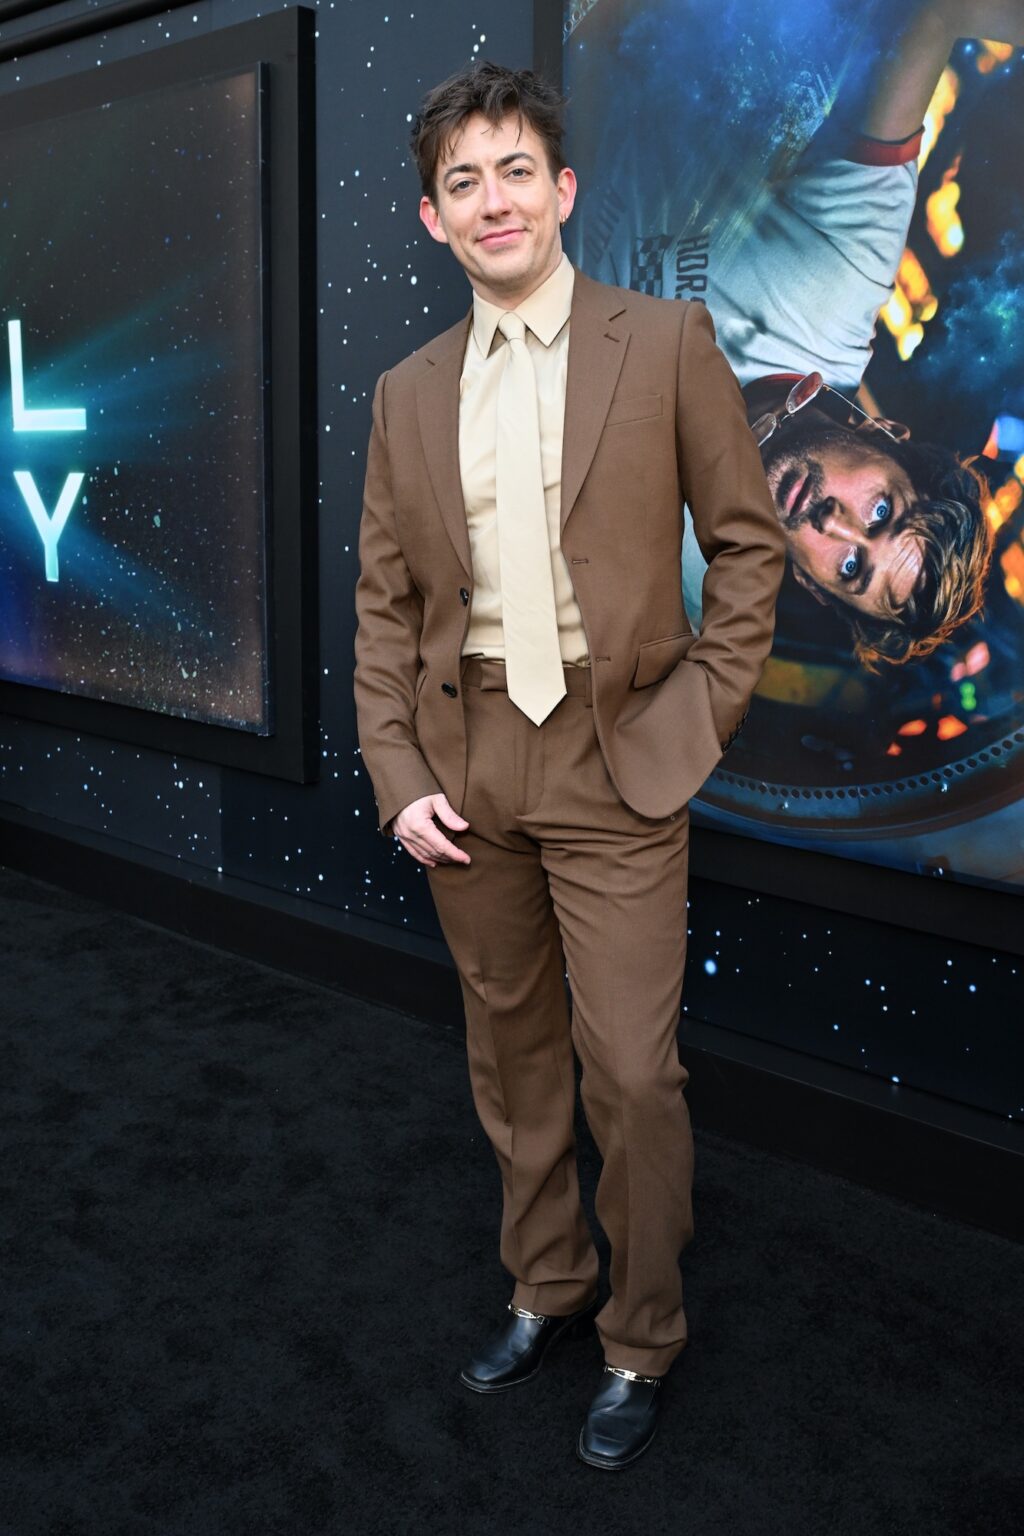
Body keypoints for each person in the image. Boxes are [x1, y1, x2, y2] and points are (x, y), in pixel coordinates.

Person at [353, 62, 784, 1470]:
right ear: (434, 217)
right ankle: (547, 1285)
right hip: (466, 768)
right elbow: (382, 610)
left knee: (632, 1075)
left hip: (616, 767)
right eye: (464, 182)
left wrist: (700, 712)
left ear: (564, 190)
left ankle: (640, 1336)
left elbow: (747, 544)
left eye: (516, 170)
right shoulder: (404, 392)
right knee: (511, 1058)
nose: (495, 201)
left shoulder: (663, 343)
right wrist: (393, 766)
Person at [582, 0, 1017, 667]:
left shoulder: (683, 581)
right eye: (881, 513)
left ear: (813, 586)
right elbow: (932, 15)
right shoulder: (842, 275)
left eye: (850, 568)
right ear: (889, 438)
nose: (835, 524)